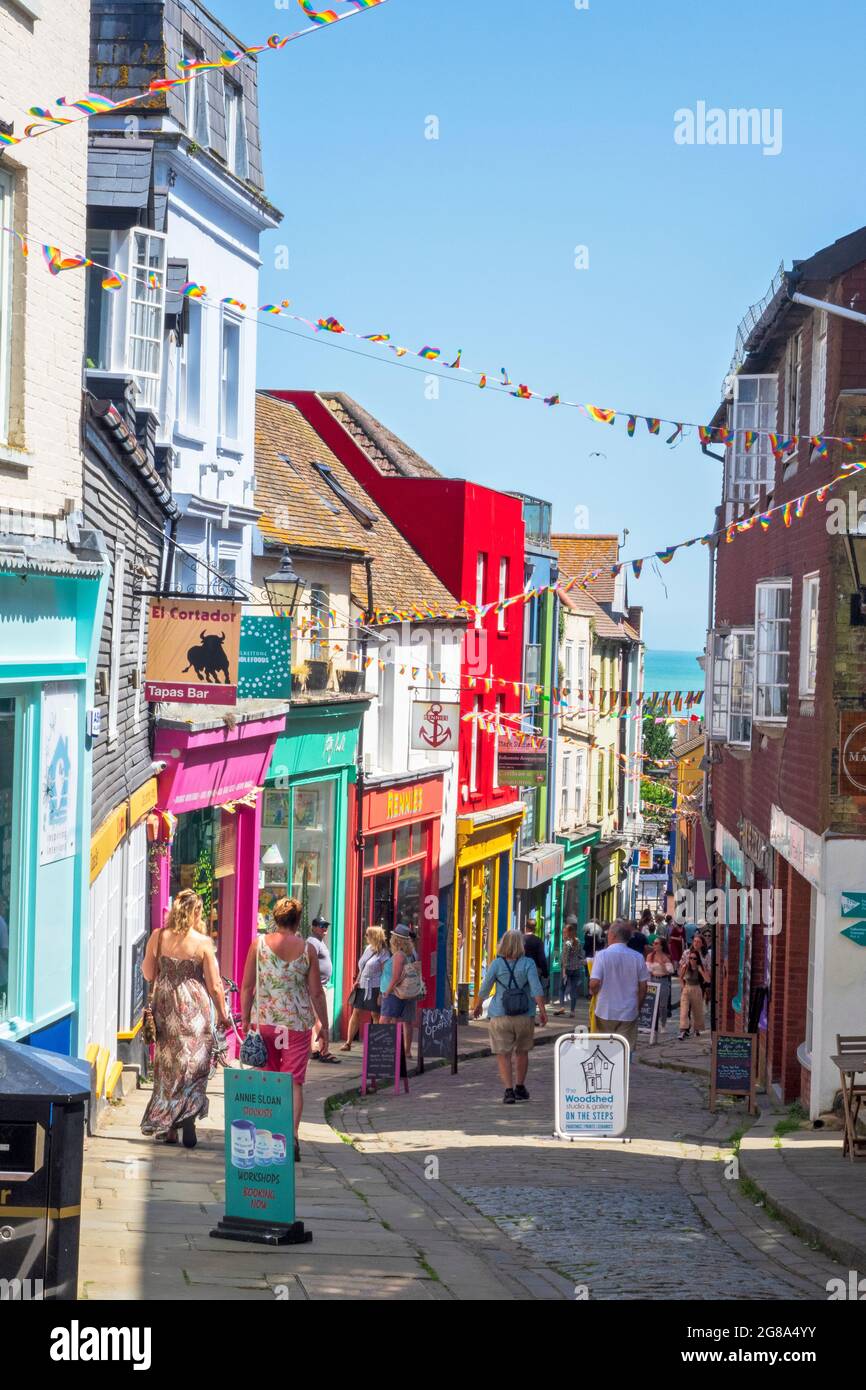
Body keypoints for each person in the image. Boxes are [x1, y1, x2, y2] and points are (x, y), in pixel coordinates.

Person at [240, 896, 329, 1162]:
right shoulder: (307, 950)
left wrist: (245, 1019)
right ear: (298, 920)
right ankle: (290, 1137)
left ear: (276, 919)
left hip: (266, 1022)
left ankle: (266, 1135)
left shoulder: (258, 945)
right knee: (293, 1083)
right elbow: (316, 992)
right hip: (297, 1024)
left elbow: (247, 986)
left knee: (267, 1078)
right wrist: (322, 1025)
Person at [141, 889, 231, 1149]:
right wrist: (223, 1015)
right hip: (195, 1010)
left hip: (166, 1009)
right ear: (194, 913)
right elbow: (214, 985)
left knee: (168, 1066)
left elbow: (148, 973)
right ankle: (188, 1114)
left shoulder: (158, 937)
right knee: (193, 1062)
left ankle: (169, 1127)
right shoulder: (202, 943)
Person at [472, 929, 547, 1104]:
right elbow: (536, 989)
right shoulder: (528, 963)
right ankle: (520, 1087)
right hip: (524, 1014)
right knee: (522, 1052)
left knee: (503, 1054)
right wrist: (542, 1011)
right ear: (521, 945)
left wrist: (477, 1006)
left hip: (500, 1015)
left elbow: (485, 987)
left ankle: (508, 1090)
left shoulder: (496, 965)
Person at [589, 919, 649, 1052]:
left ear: (613, 935)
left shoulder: (602, 955)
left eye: (608, 934)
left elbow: (594, 982)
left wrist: (593, 992)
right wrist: (637, 1006)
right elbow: (644, 988)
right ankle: (622, 1072)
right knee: (624, 1051)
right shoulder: (638, 957)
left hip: (606, 1010)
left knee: (604, 1050)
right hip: (628, 1011)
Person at [340, 925, 389, 1051]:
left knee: (375, 1015)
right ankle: (348, 1043)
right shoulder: (368, 948)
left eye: (368, 935)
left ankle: (378, 1045)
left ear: (374, 936)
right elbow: (362, 967)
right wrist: (357, 981)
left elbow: (385, 974)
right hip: (362, 985)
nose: (365, 937)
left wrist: (381, 993)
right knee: (356, 1012)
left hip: (375, 987)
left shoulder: (384, 953)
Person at [379, 924, 423, 1061]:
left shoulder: (399, 955)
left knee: (385, 1020)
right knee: (406, 1022)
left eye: (393, 937)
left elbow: (396, 976)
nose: (391, 939)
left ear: (396, 940)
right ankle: (406, 1051)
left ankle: (384, 1050)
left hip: (394, 993)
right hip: (407, 993)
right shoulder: (410, 954)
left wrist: (387, 991)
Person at [307, 916, 339, 1064]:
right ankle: (323, 1051)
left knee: (315, 1019)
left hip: (320, 985)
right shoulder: (312, 942)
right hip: (316, 987)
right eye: (321, 925)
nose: (324, 928)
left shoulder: (318, 941)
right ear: (313, 927)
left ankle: (314, 1049)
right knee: (319, 1018)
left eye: (326, 925)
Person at [678, 942, 710, 1039]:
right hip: (687, 988)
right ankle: (683, 1030)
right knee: (684, 1010)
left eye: (694, 958)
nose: (692, 960)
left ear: (697, 959)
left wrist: (701, 971)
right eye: (690, 958)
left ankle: (697, 1029)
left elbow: (708, 980)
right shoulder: (686, 966)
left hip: (696, 988)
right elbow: (680, 977)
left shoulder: (700, 967)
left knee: (697, 1011)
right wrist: (683, 987)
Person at [555, 921, 586, 1016]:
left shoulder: (567, 943)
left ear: (568, 933)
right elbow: (581, 955)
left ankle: (562, 1007)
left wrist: (564, 971)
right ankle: (572, 1011)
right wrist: (580, 962)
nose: (563, 934)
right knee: (573, 990)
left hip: (567, 969)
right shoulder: (578, 942)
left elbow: (565, 958)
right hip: (576, 968)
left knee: (562, 988)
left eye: (564, 932)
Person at [522, 915, 549, 999]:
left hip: (520, 968)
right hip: (535, 970)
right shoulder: (538, 941)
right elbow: (542, 958)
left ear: (525, 927)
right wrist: (545, 973)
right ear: (535, 928)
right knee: (535, 991)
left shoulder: (520, 939)